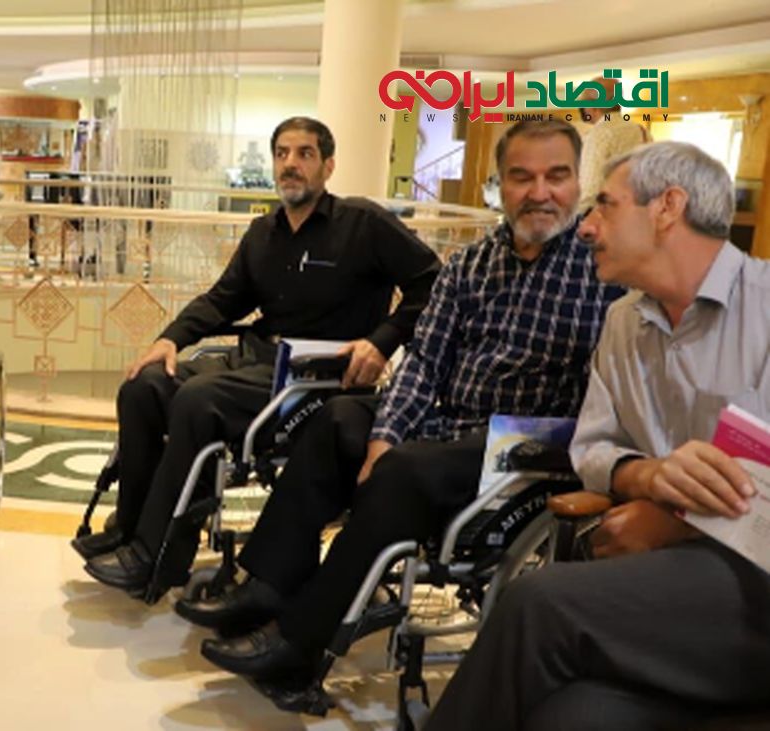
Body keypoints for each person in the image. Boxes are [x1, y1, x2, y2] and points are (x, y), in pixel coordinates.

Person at [194, 120, 624, 697]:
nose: (539, 193)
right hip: (447, 425)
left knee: (406, 469)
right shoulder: (472, 264)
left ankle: (298, 644)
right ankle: (268, 585)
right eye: (522, 177)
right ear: (499, 183)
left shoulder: (605, 274)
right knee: (339, 419)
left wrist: (396, 455)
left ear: (578, 183)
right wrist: (384, 436)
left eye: (556, 176)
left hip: (525, 445)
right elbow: (423, 361)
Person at [426, 141, 770, 731]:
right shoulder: (624, 321)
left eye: (605, 205)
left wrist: (676, 520)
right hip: (670, 589)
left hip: (753, 580)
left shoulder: (763, 308)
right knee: (571, 716)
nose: (585, 227)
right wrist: (649, 477)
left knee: (538, 603)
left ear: (667, 208)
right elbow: (593, 446)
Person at [80, 117, 442, 593]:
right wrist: (170, 339)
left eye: (305, 154)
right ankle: (129, 528)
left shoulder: (363, 223)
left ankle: (156, 555)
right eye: (282, 153)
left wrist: (382, 340)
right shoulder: (263, 232)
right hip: (255, 362)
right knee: (143, 386)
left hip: (316, 377)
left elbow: (433, 282)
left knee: (199, 399)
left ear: (328, 166)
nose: (291, 164)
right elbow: (222, 299)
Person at [578, 76, 649, 211]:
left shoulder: (598, 135)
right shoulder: (641, 131)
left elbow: (590, 189)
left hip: (608, 214)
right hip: (638, 212)